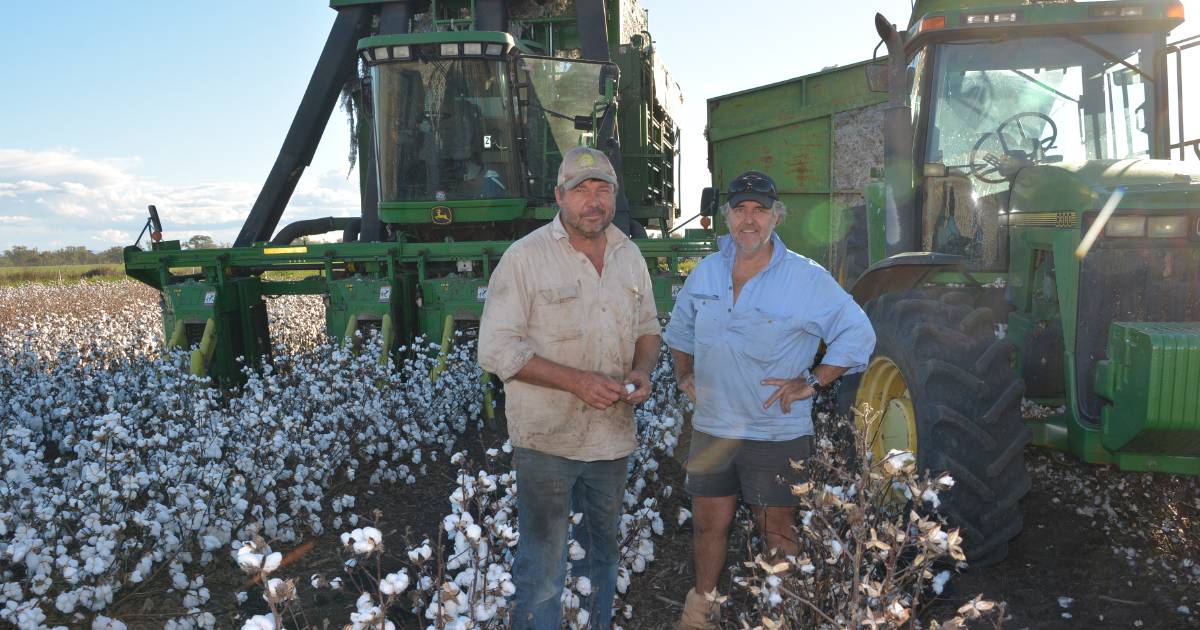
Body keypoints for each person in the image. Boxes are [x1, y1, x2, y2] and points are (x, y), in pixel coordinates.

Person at [663, 171, 876, 629]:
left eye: (760, 209)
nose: (749, 219)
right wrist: (685, 373)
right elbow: (680, 329)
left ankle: (782, 614)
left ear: (776, 216)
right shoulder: (706, 271)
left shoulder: (805, 278)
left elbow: (857, 332)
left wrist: (814, 381)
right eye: (740, 208)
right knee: (707, 523)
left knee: (777, 531)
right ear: (726, 215)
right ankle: (701, 610)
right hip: (713, 428)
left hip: (774, 431)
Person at [477, 146, 662, 629]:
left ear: (614, 197)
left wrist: (642, 370)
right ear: (560, 197)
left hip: (612, 440)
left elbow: (648, 328)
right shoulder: (526, 258)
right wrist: (577, 381)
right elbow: (496, 349)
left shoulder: (629, 254)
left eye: (602, 189)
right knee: (543, 567)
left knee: (600, 558)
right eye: (581, 190)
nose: (593, 201)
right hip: (548, 442)